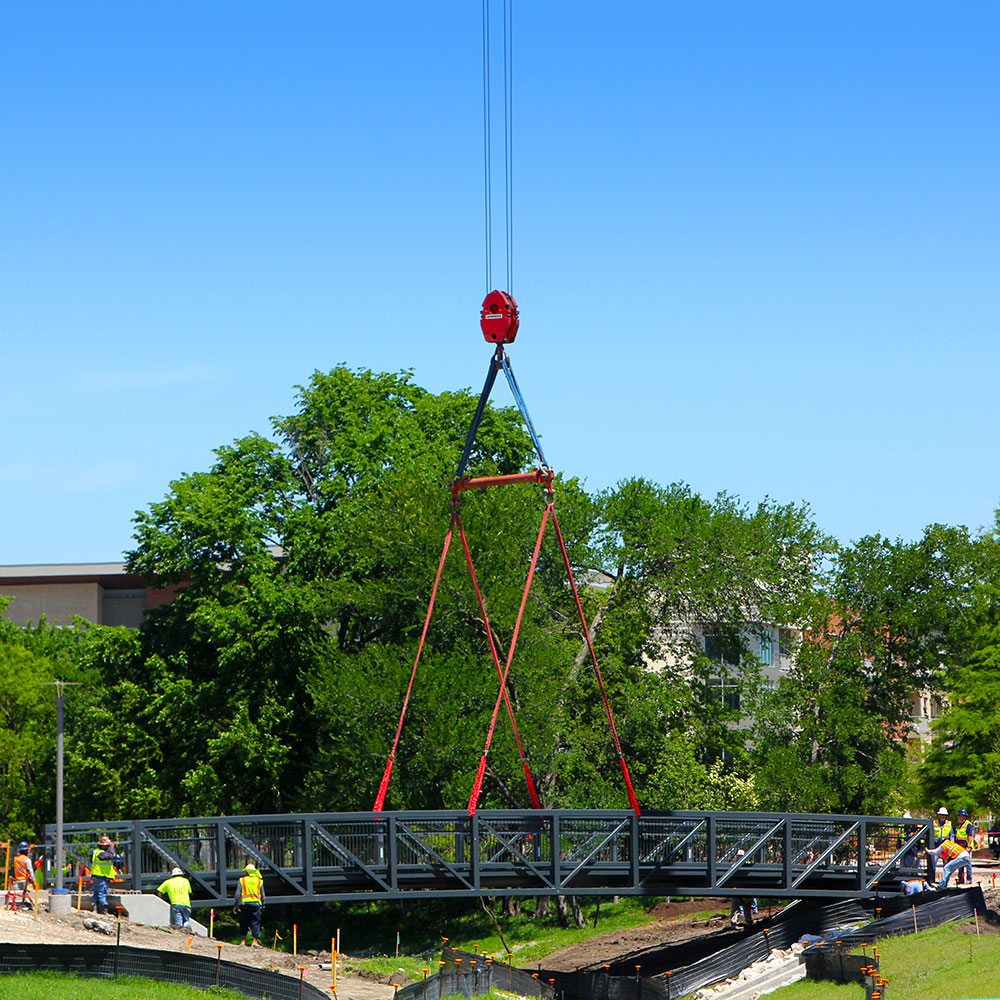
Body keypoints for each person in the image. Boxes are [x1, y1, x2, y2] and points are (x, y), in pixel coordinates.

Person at [234, 862, 265, 946]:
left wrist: (236, 904)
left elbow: (237, 894)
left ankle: (243, 940)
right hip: (256, 904)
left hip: (245, 904)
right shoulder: (259, 881)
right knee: (255, 922)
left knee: (244, 922)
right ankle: (255, 941)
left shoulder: (242, 880)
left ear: (247, 872)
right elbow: (263, 895)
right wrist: (263, 904)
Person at [90, 836, 117, 914]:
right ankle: (103, 909)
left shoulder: (95, 851)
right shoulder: (100, 853)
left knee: (96, 892)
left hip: (97, 875)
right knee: (102, 892)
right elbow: (109, 856)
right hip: (101, 876)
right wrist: (112, 847)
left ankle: (95, 908)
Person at [11, 842, 35, 909]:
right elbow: (30, 871)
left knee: (24, 892)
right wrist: (34, 881)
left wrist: (29, 847)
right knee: (29, 890)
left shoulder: (16, 858)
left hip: (18, 879)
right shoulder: (27, 860)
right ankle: (26, 902)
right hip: (25, 880)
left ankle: (24, 902)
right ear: (26, 851)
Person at [954, 809, 975, 885]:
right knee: (960, 863)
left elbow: (970, 836)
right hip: (960, 846)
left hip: (966, 846)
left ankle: (969, 879)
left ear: (963, 816)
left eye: (960, 816)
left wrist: (968, 846)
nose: (959, 817)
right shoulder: (960, 825)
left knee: (967, 863)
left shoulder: (967, 824)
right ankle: (961, 879)